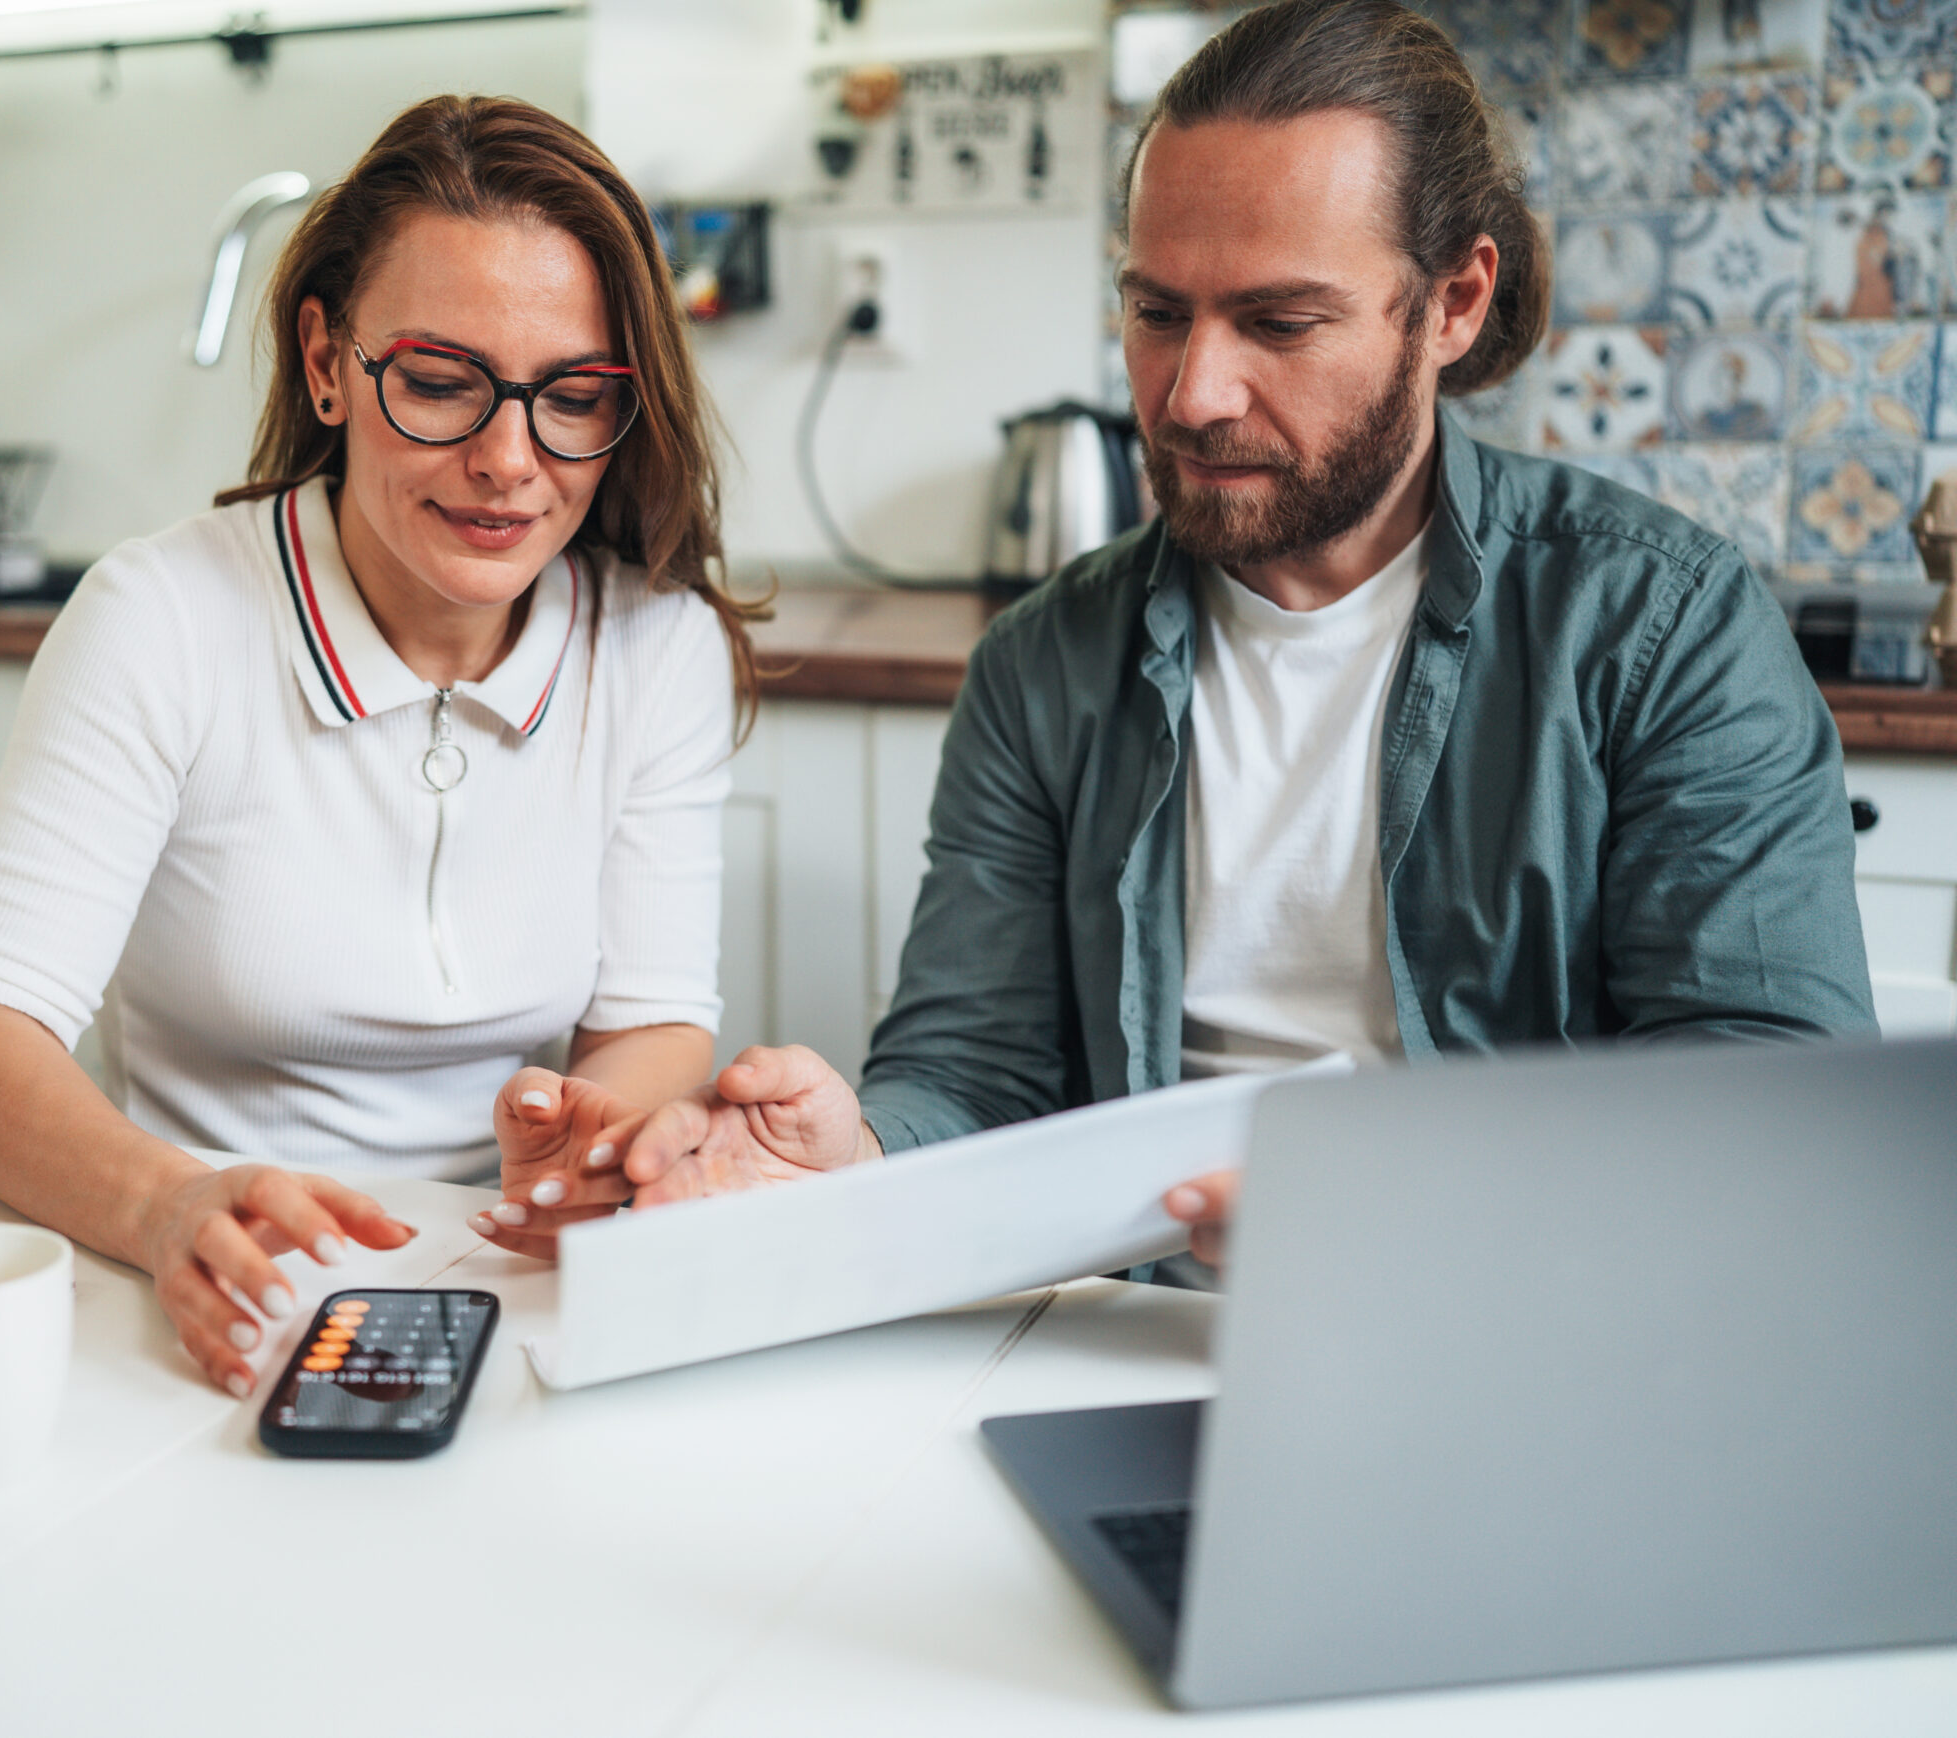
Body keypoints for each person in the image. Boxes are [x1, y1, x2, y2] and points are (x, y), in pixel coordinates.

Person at [500, 0, 1876, 1271]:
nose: (1194, 390)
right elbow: (974, 1076)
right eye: (1157, 312)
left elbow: (1766, 1114)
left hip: (1519, 1328)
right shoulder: (1044, 665)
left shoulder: (1662, 627)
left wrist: (1387, 1221)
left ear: (1452, 302)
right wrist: (848, 1154)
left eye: (1280, 321)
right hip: (1127, 1321)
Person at [0, 95, 758, 1393]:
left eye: (574, 397)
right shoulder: (163, 619)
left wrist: (591, 1151)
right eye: (436, 384)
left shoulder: (659, 648)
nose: (508, 462)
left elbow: (653, 1024)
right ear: (326, 362)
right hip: (197, 1277)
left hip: (505, 1284)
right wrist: (165, 1206)